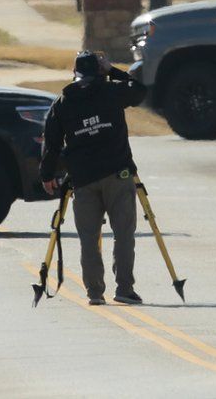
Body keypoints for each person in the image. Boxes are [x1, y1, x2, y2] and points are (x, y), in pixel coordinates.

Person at [39, 51, 147, 306]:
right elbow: (140, 90)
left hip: (83, 179)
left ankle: (95, 293)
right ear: (99, 71)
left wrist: (47, 175)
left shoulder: (64, 101)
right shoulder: (111, 91)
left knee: (88, 238)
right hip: (117, 174)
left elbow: (51, 143)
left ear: (75, 73)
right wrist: (112, 70)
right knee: (123, 234)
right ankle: (124, 289)